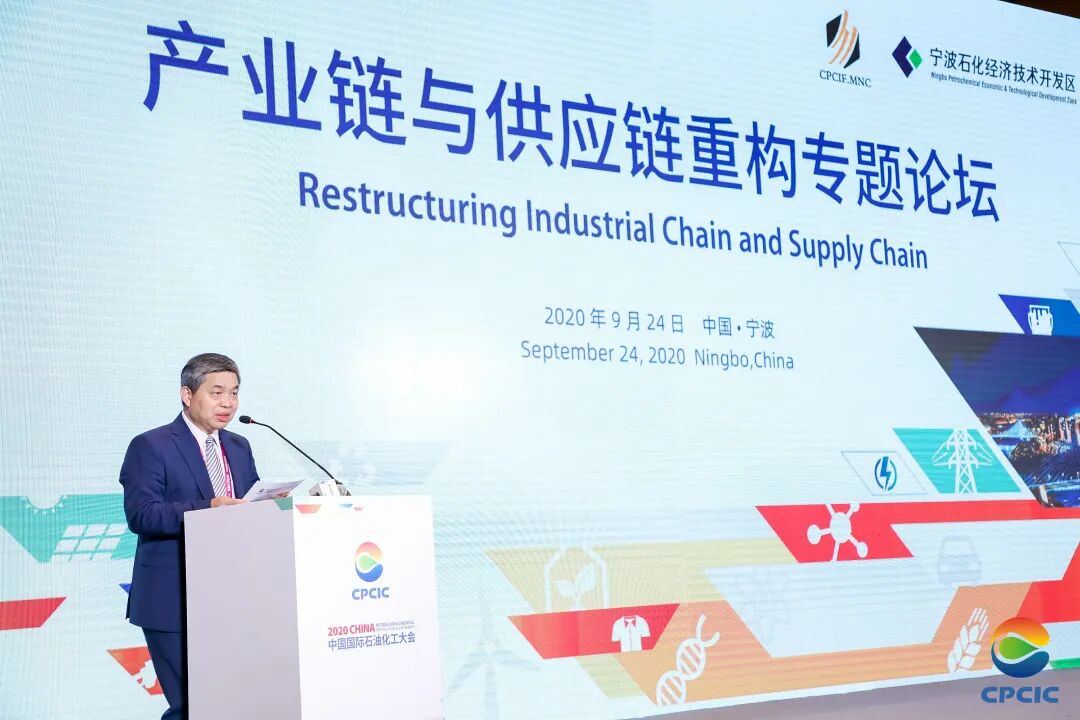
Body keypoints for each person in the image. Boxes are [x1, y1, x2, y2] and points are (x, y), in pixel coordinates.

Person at [119, 353, 260, 720]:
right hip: (173, 597)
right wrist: (208, 509)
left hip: (232, 596)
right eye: (217, 392)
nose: (228, 403)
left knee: (232, 704)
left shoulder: (239, 446)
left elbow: (246, 506)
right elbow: (141, 514)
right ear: (187, 394)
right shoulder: (151, 445)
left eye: (234, 393)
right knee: (192, 707)